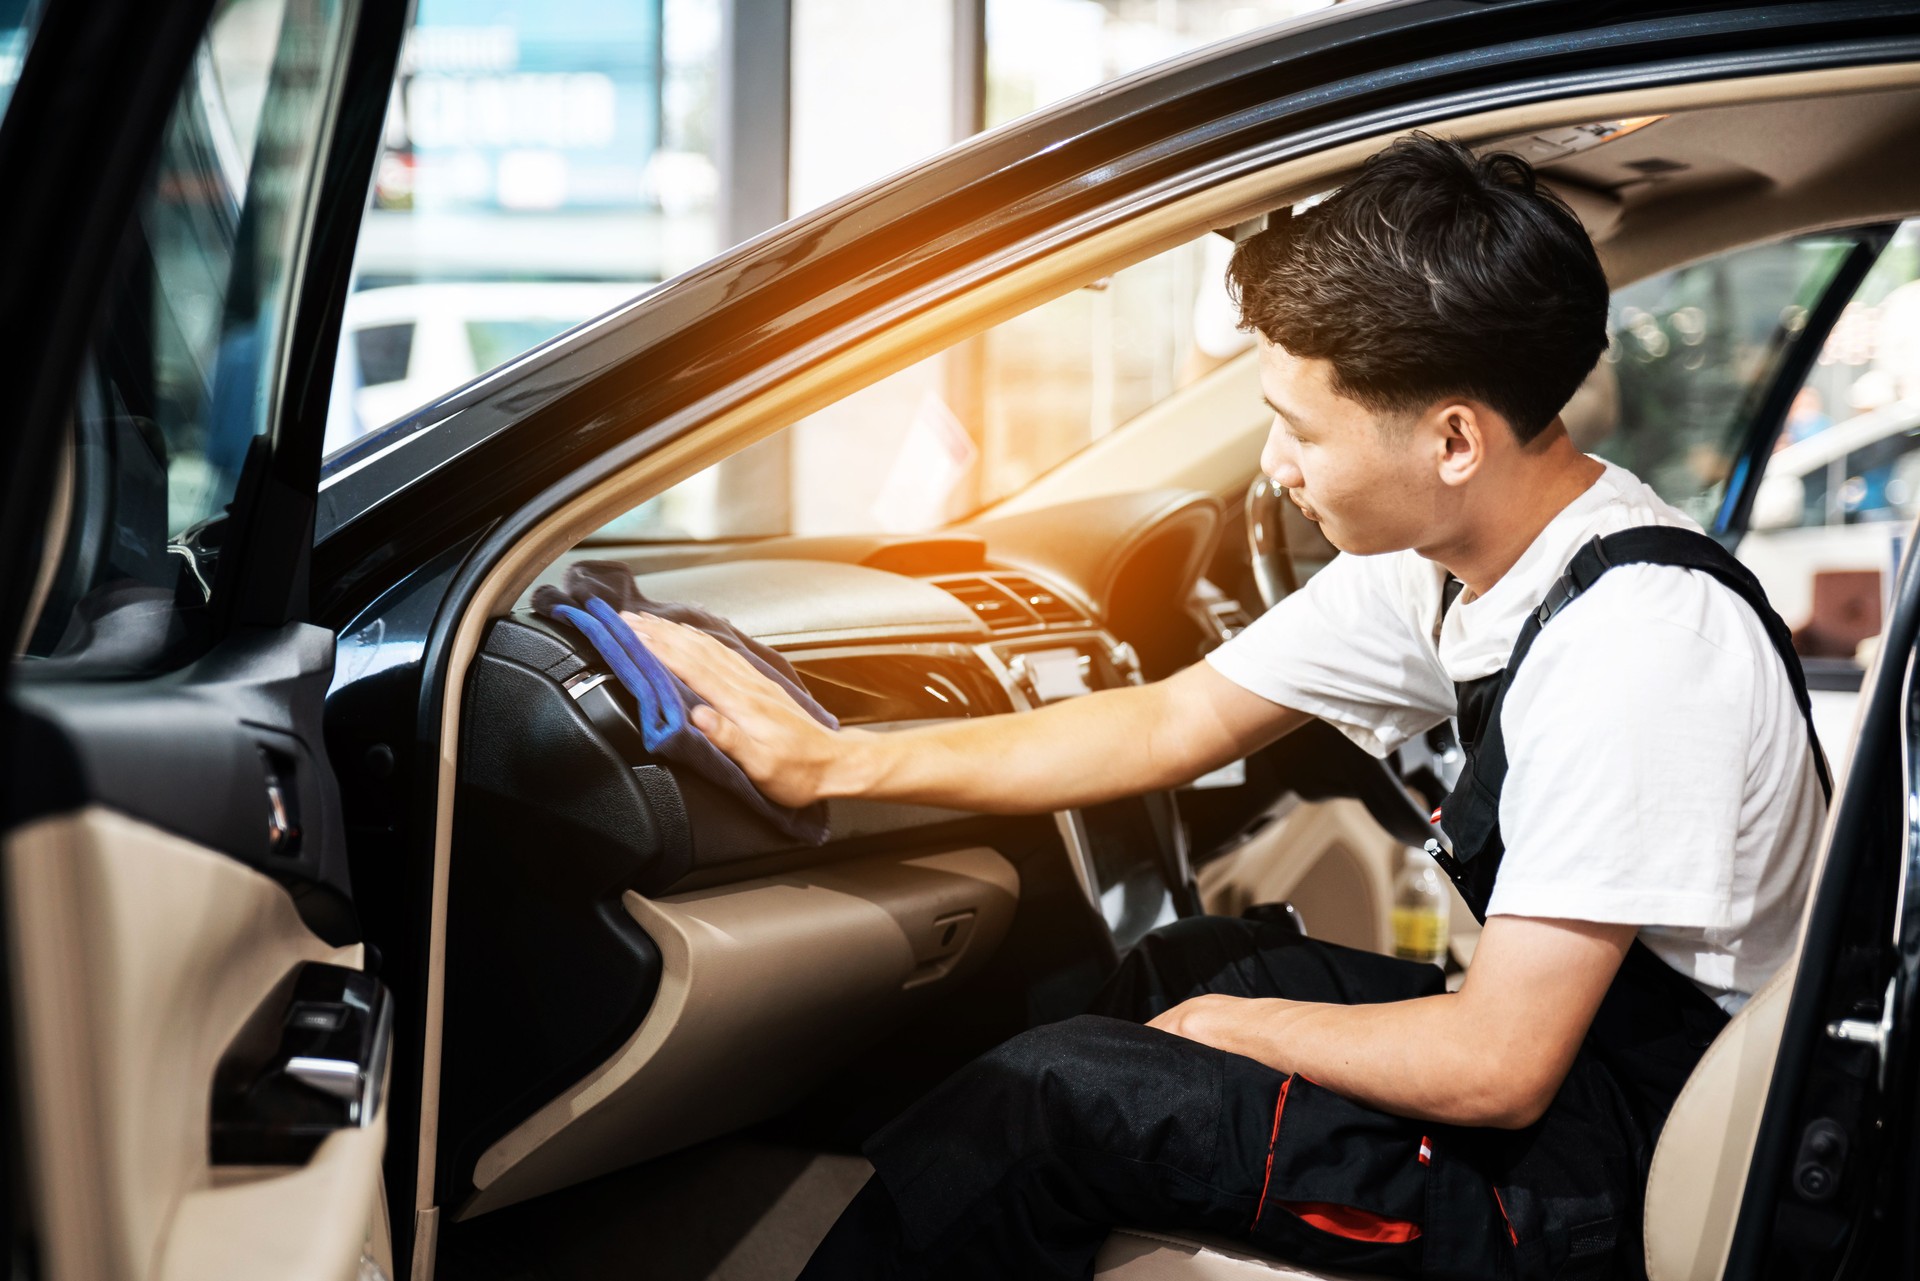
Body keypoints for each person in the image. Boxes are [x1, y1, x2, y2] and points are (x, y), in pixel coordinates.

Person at [626, 133, 1828, 1280]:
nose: (1274, 468)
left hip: (1620, 1175)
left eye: (1299, 429)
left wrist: (1230, 1039)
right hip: (1588, 1088)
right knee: (1188, 968)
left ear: (1454, 439)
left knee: (1061, 1096)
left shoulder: (1636, 644)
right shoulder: (1463, 561)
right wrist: (831, 762)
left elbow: (1496, 1068)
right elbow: (1167, 724)